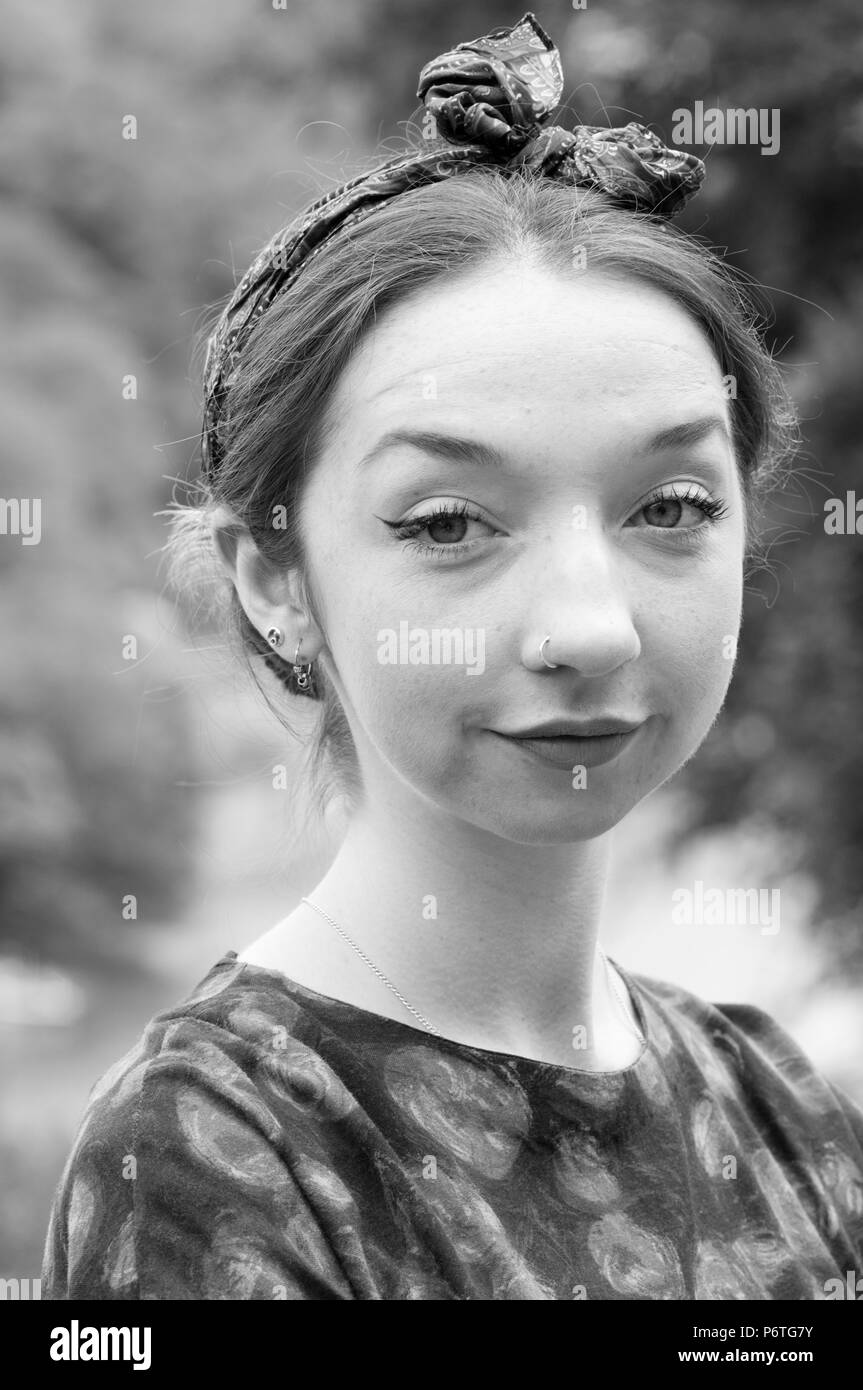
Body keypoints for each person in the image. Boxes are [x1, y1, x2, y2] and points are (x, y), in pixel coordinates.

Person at [42, 12, 863, 1301]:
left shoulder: (779, 1105)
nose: (589, 625)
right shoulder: (222, 1148)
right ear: (277, 583)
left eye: (672, 507)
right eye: (447, 524)